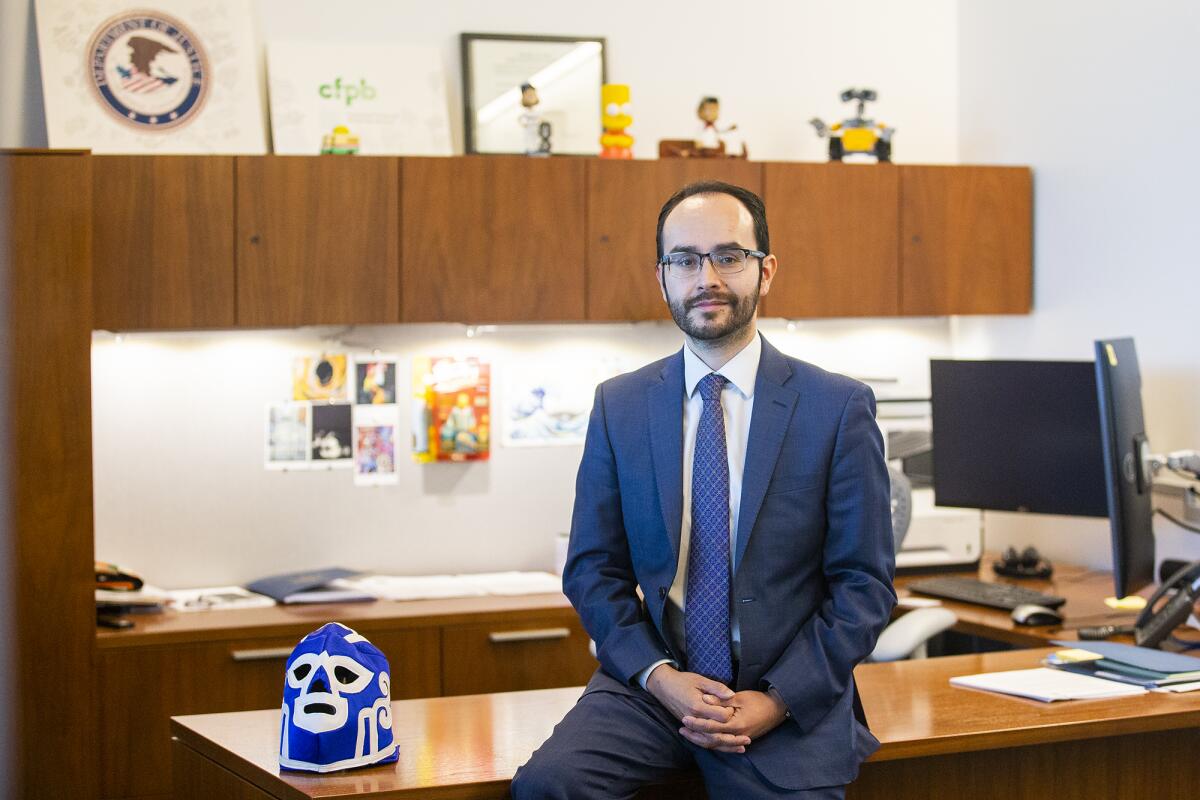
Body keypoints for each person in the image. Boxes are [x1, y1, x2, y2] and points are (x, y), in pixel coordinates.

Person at [512, 181, 896, 799]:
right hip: (655, 687)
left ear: (765, 271)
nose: (706, 276)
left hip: (785, 699)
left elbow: (864, 587)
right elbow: (592, 569)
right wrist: (659, 676)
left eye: (729, 256)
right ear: (662, 275)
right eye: (684, 259)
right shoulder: (621, 405)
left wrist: (775, 701)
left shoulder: (837, 407)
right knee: (550, 786)